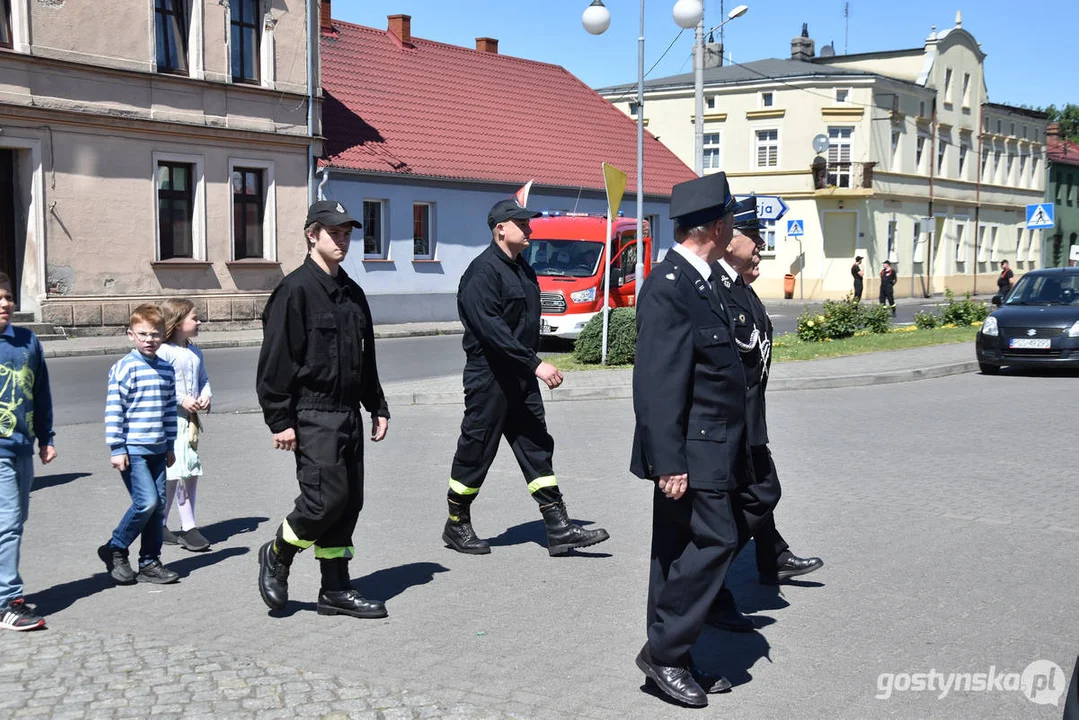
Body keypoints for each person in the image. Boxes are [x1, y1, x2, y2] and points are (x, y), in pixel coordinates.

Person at [630, 173, 770, 708]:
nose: (734, 226)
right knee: (716, 543)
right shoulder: (669, 286)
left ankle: (675, 658)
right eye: (730, 218)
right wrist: (669, 462)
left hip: (714, 444)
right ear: (714, 226)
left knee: (674, 552)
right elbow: (658, 385)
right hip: (691, 447)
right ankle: (664, 653)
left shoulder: (704, 278)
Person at [442, 197, 609, 556]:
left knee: (536, 446)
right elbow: (492, 331)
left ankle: (558, 526)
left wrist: (530, 363)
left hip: (519, 378)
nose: (529, 228)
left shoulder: (523, 269)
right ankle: (456, 524)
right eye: (522, 223)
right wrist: (535, 363)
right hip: (490, 379)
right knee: (476, 452)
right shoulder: (481, 273)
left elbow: (525, 324)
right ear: (501, 229)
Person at [256, 200, 390, 620]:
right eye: (334, 232)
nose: (343, 239)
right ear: (312, 234)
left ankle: (335, 589)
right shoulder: (295, 290)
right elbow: (276, 360)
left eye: (348, 232)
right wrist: (280, 420)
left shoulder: (352, 293)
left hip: (348, 410)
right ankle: (277, 551)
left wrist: (376, 404)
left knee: (349, 503)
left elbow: (365, 357)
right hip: (312, 413)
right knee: (322, 502)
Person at [705, 197, 823, 634]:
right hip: (730, 425)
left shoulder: (739, 286)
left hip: (750, 421)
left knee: (752, 494)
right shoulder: (714, 288)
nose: (760, 248)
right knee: (758, 494)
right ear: (729, 238)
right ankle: (709, 583)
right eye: (753, 239)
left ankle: (771, 556)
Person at [99, 304, 180, 586]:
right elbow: (114, 410)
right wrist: (117, 448)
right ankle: (116, 547)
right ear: (130, 335)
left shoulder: (167, 369)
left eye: (155, 334)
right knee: (146, 502)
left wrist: (170, 445)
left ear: (163, 335)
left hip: (159, 449)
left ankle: (149, 562)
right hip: (132, 450)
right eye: (143, 334)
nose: (149, 340)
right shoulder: (124, 367)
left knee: (158, 508)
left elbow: (170, 409)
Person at [0, 274, 55, 631]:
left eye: (6, 297)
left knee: (15, 522)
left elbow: (42, 392)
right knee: (7, 524)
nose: (4, 304)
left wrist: (45, 437)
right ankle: (8, 601)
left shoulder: (26, 341)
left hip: (21, 446)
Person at [157, 298, 213, 553]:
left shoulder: (195, 351)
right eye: (194, 318)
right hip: (171, 420)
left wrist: (205, 395)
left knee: (183, 471)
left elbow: (203, 379)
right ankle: (188, 528)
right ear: (178, 323)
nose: (199, 322)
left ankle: (160, 524)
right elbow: (161, 386)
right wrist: (182, 399)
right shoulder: (163, 352)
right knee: (179, 472)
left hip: (189, 421)